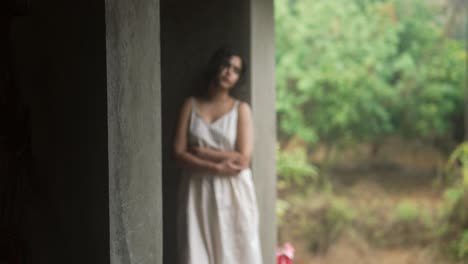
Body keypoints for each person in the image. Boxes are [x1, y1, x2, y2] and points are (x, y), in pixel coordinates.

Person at [174, 47, 263, 264]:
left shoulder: (241, 109)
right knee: (195, 251)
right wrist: (216, 167)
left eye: (235, 70)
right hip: (197, 187)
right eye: (225, 65)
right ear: (215, 66)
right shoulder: (191, 105)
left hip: (233, 190)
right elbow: (177, 153)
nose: (228, 72)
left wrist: (206, 153)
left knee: (237, 250)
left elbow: (243, 159)